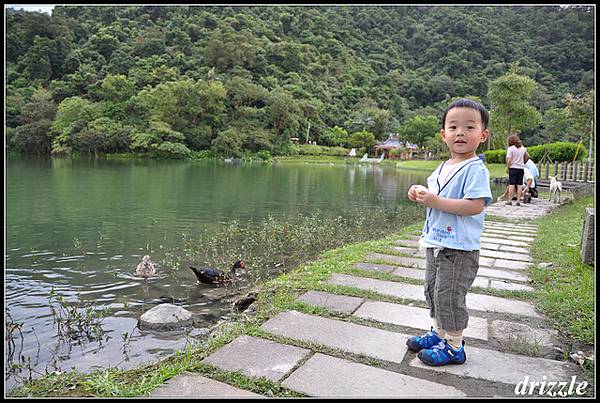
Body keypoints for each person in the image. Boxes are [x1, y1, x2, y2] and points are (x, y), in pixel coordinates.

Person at [406, 99, 492, 366]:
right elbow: (436, 195)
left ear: (483, 135)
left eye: (469, 127)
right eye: (453, 127)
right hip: (437, 242)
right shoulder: (443, 167)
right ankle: (439, 333)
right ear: (443, 134)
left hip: (460, 248)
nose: (460, 133)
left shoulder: (476, 169)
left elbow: (475, 205)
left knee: (450, 295)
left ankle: (455, 346)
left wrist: (435, 201)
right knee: (432, 290)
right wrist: (420, 192)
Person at [505, 134, 528, 206]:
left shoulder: (510, 149)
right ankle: (518, 201)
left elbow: (509, 160)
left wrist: (507, 167)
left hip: (513, 168)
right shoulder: (523, 148)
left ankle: (509, 201)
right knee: (519, 185)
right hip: (521, 168)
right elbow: (527, 156)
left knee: (511, 184)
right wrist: (523, 162)